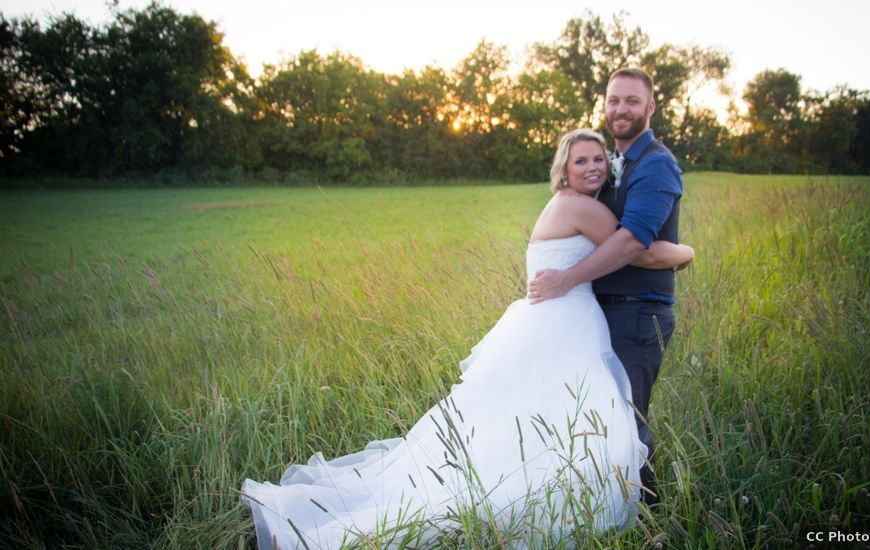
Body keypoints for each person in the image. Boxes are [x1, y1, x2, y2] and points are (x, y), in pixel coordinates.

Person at [241, 129, 694, 549]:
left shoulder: (568, 202)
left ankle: (545, 495)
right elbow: (642, 249)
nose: (593, 167)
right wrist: (688, 251)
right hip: (564, 322)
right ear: (565, 170)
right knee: (564, 419)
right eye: (582, 161)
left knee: (541, 419)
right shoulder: (582, 206)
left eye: (599, 159)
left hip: (554, 320)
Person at [528, 67, 685, 505]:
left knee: (627, 417)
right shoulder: (615, 169)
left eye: (632, 101)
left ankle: (649, 515)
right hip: (601, 310)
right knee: (602, 416)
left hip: (637, 310)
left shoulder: (655, 165)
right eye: (614, 100)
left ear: (650, 107)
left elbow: (635, 242)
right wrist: (683, 252)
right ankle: (598, 503)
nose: (621, 109)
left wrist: (569, 279)